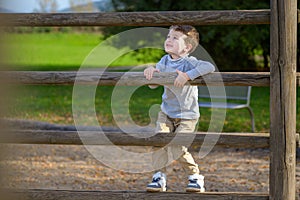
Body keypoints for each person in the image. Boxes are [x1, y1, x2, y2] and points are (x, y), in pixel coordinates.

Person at [143, 25, 215, 192]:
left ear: (187, 47)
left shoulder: (189, 62)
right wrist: (151, 71)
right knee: (159, 141)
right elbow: (153, 85)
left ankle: (195, 177)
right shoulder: (164, 61)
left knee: (177, 146)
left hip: (187, 115)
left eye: (175, 38)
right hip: (166, 112)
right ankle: (158, 177)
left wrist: (187, 76)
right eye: (168, 36)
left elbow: (209, 67)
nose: (169, 40)